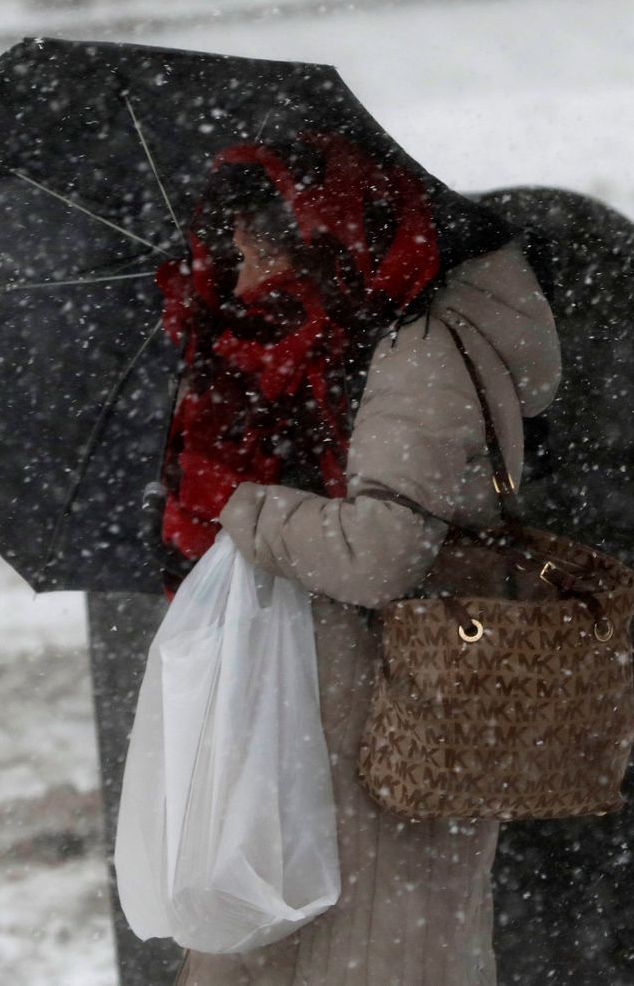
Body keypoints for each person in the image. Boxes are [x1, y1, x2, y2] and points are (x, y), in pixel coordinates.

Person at [154, 132, 562, 985]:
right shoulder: (354, 340)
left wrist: (245, 507)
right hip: (351, 713)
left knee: (377, 947)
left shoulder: (418, 356)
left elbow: (381, 552)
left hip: (391, 711)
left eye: (245, 238)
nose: (232, 263)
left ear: (308, 233)